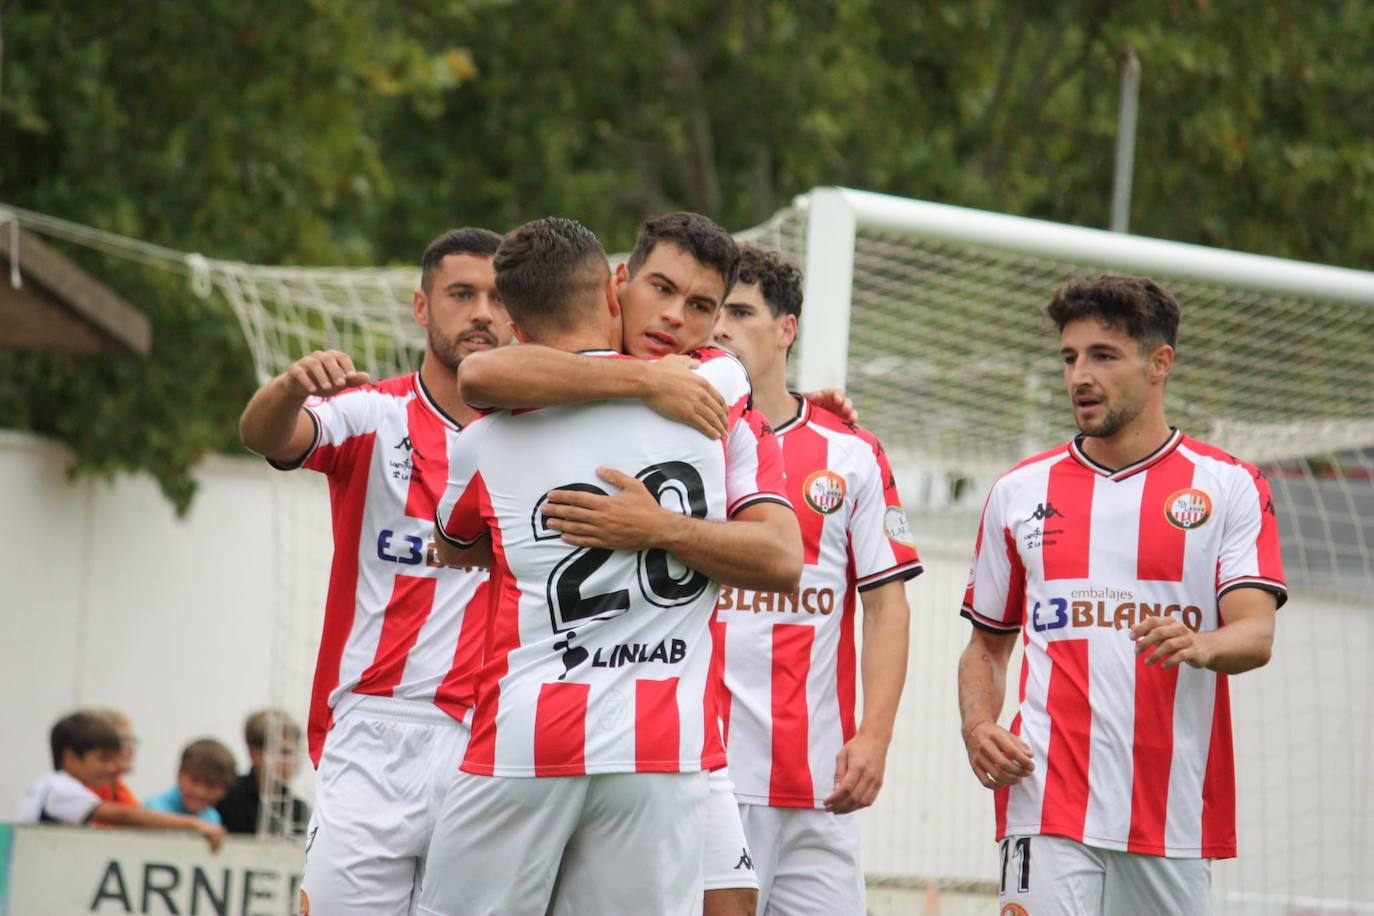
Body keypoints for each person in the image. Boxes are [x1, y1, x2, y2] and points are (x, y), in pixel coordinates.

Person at [419, 217, 799, 916]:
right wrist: (644, 385)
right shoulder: (716, 390)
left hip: (567, 737)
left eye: (702, 306)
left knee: (734, 902)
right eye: (662, 289)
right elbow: (482, 372)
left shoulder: (488, 435)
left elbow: (454, 537)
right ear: (616, 286)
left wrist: (657, 528)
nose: (676, 317)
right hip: (654, 744)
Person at [957, 276, 1285, 916]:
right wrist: (977, 725)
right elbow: (986, 647)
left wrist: (1202, 643)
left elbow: (1256, 633)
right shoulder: (1019, 492)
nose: (1080, 374)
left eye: (1103, 355)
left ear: (1159, 363)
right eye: (1070, 357)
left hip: (1172, 813)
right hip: (1044, 795)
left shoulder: (1229, 486)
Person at [238, 228, 525, 913]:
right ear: (422, 308)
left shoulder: (539, 432)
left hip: (491, 736)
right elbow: (266, 436)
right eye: (462, 294)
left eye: (496, 296)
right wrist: (288, 386)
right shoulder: (375, 413)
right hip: (371, 729)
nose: (481, 311)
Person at [704, 245, 921, 914]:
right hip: (704, 776)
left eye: (740, 313)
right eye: (712, 312)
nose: (720, 330)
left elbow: (887, 606)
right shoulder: (679, 440)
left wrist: (876, 736)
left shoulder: (850, 451)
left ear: (786, 329)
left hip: (819, 784)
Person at [16, 711, 225, 851]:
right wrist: (191, 824)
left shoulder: (50, 786)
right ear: (71, 757)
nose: (110, 767)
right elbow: (123, 815)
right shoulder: (60, 789)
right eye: (103, 759)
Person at [215, 709, 310, 837]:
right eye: (284, 752)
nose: (292, 761)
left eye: (295, 752)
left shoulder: (299, 810)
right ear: (256, 754)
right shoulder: (225, 796)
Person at [144, 738, 237, 825]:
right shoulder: (152, 810)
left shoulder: (212, 818)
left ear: (224, 790)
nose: (200, 792)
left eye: (211, 785)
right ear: (179, 775)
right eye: (194, 780)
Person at [85, 707, 139, 826]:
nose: (131, 749)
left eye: (132, 741)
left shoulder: (121, 791)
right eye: (123, 741)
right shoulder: (83, 791)